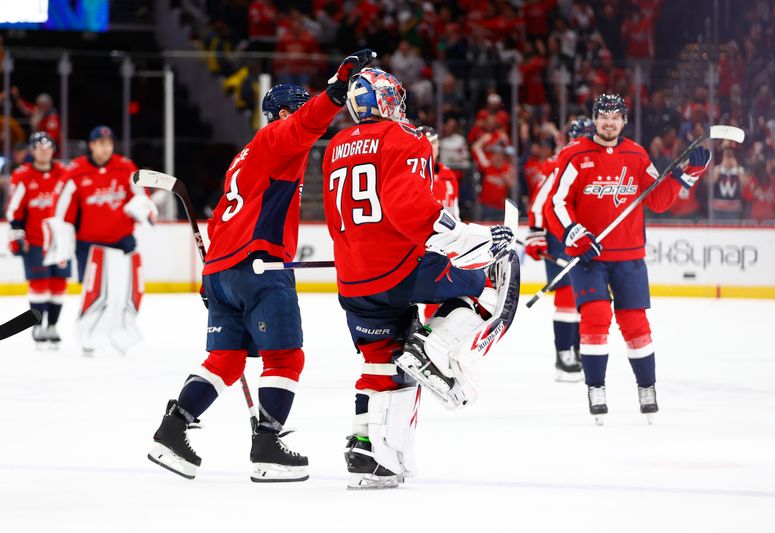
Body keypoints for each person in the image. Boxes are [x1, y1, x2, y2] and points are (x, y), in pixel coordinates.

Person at [147, 50, 378, 483]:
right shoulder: (276, 139)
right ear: (285, 113)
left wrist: (210, 274)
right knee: (286, 356)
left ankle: (172, 430)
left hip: (223, 271)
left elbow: (219, 220)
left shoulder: (244, 157)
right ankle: (268, 445)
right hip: (261, 268)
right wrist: (336, 88)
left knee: (226, 359)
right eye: (299, 108)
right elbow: (308, 122)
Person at [322, 67, 518, 489]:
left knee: (380, 359)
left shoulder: (336, 144)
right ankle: (432, 346)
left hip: (353, 278)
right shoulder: (403, 136)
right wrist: (476, 238)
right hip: (399, 267)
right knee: (483, 282)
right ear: (380, 100)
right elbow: (411, 209)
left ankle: (366, 451)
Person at [543, 94, 710, 424]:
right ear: (595, 119)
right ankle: (596, 388)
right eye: (603, 116)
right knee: (596, 318)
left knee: (636, 325)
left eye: (615, 117)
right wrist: (575, 233)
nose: (609, 122)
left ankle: (646, 388)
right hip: (589, 256)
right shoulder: (575, 155)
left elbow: (659, 200)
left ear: (623, 121)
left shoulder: (636, 154)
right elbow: (556, 203)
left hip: (629, 257)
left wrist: (690, 172)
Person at [525, 117, 594, 382]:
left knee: (583, 298)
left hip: (582, 239)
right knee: (567, 297)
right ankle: (564, 356)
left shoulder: (592, 163)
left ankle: (575, 351)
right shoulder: (559, 163)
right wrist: (536, 235)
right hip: (559, 238)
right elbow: (538, 203)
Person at [51, 126, 150, 282]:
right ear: (92, 145)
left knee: (123, 290)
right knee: (92, 294)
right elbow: (61, 208)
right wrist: (62, 237)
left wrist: (145, 211)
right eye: (101, 143)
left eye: (109, 143)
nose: (106, 147)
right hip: (88, 244)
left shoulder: (126, 167)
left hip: (122, 240)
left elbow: (142, 197)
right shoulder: (76, 171)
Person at [4, 132, 70, 348]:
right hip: (35, 240)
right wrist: (17, 234)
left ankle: (52, 325)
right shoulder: (23, 175)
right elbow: (14, 208)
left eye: (48, 146)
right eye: (39, 146)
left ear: (53, 150)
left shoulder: (64, 173)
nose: (44, 150)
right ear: (33, 150)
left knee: (59, 284)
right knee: (39, 285)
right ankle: (37, 325)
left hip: (60, 241)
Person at [418, 125, 461, 322]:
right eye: (426, 142)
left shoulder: (448, 175)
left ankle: (431, 333)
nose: (431, 147)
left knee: (440, 294)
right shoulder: (413, 172)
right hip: (418, 242)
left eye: (434, 142)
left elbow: (454, 210)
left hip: (443, 243)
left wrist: (459, 235)